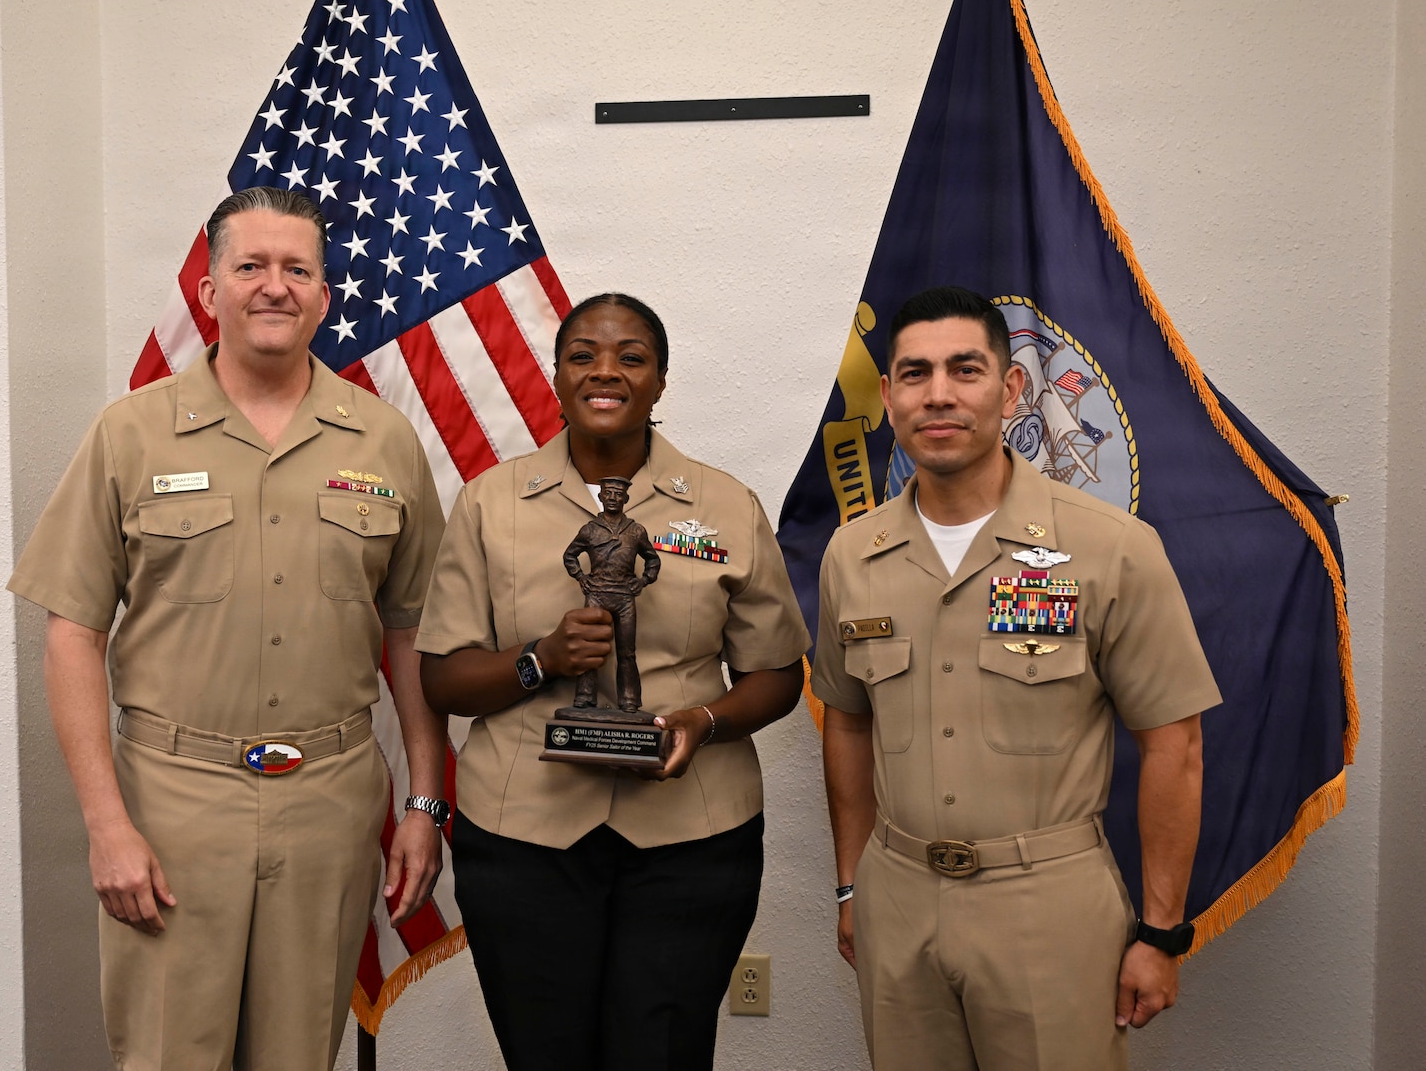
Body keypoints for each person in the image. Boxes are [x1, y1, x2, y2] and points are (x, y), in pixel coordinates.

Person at [7, 186, 449, 1070]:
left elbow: (412, 637)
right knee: (173, 1055)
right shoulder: (130, 434)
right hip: (173, 803)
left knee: (298, 1058)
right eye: (250, 266)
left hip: (329, 803)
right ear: (210, 293)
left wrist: (424, 803)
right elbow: (72, 634)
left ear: (326, 295)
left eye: (297, 269)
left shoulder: (384, 440)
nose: (273, 286)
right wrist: (106, 825)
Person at [812, 286, 1215, 1071]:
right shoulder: (850, 556)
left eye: (965, 370)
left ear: (1010, 389)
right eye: (916, 373)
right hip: (897, 899)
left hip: (1048, 907)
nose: (939, 394)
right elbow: (849, 721)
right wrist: (852, 885)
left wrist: (1163, 933)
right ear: (887, 395)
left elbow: (1176, 744)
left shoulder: (1109, 547)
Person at [416, 293, 808, 1070]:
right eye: (583, 355)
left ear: (660, 382)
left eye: (632, 357)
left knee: (662, 1052)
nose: (607, 372)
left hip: (691, 840)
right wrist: (540, 658)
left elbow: (777, 673)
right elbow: (444, 680)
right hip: (525, 835)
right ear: (557, 376)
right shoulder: (493, 503)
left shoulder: (725, 505)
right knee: (545, 1054)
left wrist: (705, 721)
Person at [562, 476, 661, 711]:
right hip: (596, 595)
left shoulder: (636, 531)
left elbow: (653, 560)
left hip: (625, 598)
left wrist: (644, 580)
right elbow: (569, 555)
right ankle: (585, 696)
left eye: (618, 494)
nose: (613, 498)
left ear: (626, 498)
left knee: (627, 653)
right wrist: (581, 577)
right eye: (609, 493)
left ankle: (629, 700)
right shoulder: (589, 530)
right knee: (589, 648)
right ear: (601, 496)